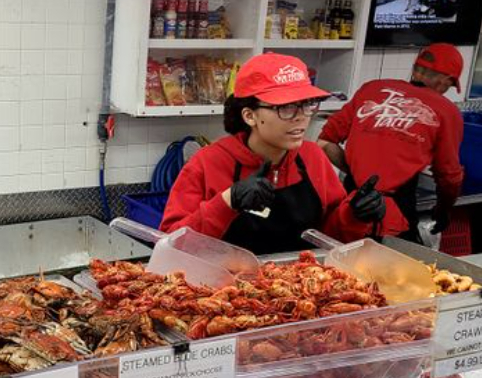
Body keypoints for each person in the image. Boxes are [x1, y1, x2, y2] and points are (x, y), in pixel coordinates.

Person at [160, 54, 394, 254]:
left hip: (302, 289)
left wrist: (354, 215)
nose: (301, 116)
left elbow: (328, 238)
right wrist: (226, 202)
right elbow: (170, 244)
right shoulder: (208, 163)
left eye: (307, 104)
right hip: (223, 294)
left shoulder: (312, 157)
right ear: (249, 115)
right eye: (286, 107)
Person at [317, 42, 465, 244]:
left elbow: (324, 143)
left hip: (351, 201)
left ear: (416, 70)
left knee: (338, 265)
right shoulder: (446, 111)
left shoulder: (372, 89)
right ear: (445, 81)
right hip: (393, 213)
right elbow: (449, 176)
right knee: (394, 272)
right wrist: (444, 210)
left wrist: (356, 172)